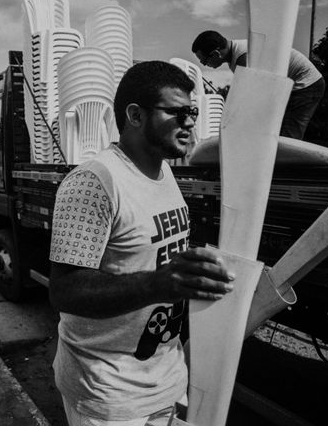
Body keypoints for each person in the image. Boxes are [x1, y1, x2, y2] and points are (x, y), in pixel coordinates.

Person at [49, 61, 235, 425]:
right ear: (135, 115)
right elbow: (65, 290)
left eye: (193, 112)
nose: (190, 121)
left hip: (164, 379)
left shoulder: (163, 170)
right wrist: (158, 283)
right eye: (176, 112)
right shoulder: (93, 182)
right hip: (109, 393)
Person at [191, 30, 325, 140]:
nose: (205, 65)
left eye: (204, 61)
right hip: (290, 85)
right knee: (273, 133)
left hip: (306, 84)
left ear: (216, 53)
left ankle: (286, 171)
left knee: (287, 135)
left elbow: (255, 99)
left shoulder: (244, 58)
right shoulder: (237, 55)